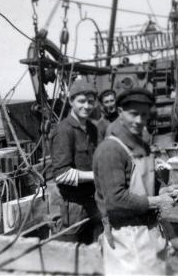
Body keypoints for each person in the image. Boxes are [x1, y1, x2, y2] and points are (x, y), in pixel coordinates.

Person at [93, 88, 175, 275]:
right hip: (127, 237)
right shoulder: (111, 149)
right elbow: (115, 199)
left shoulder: (142, 145)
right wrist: (156, 201)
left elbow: (147, 182)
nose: (139, 121)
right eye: (134, 114)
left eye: (144, 115)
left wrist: (163, 191)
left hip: (149, 233)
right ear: (120, 112)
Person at [49, 79, 102, 244]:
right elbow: (62, 175)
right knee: (72, 253)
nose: (86, 106)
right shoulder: (64, 131)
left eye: (90, 102)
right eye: (81, 101)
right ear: (71, 101)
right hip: (74, 207)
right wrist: (96, 175)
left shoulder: (92, 129)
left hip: (95, 202)